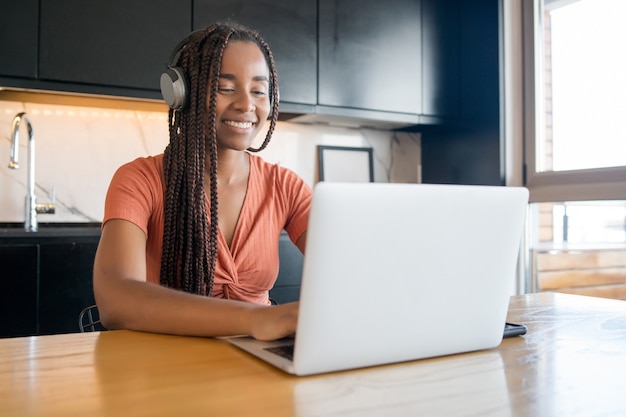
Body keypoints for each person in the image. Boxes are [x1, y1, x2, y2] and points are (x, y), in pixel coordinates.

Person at [93, 22, 311, 341]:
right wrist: (258, 319)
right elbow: (116, 301)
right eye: (225, 87)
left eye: (259, 91)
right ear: (182, 93)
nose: (246, 104)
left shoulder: (286, 187)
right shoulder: (139, 180)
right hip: (162, 365)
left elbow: (353, 267)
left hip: (260, 367)